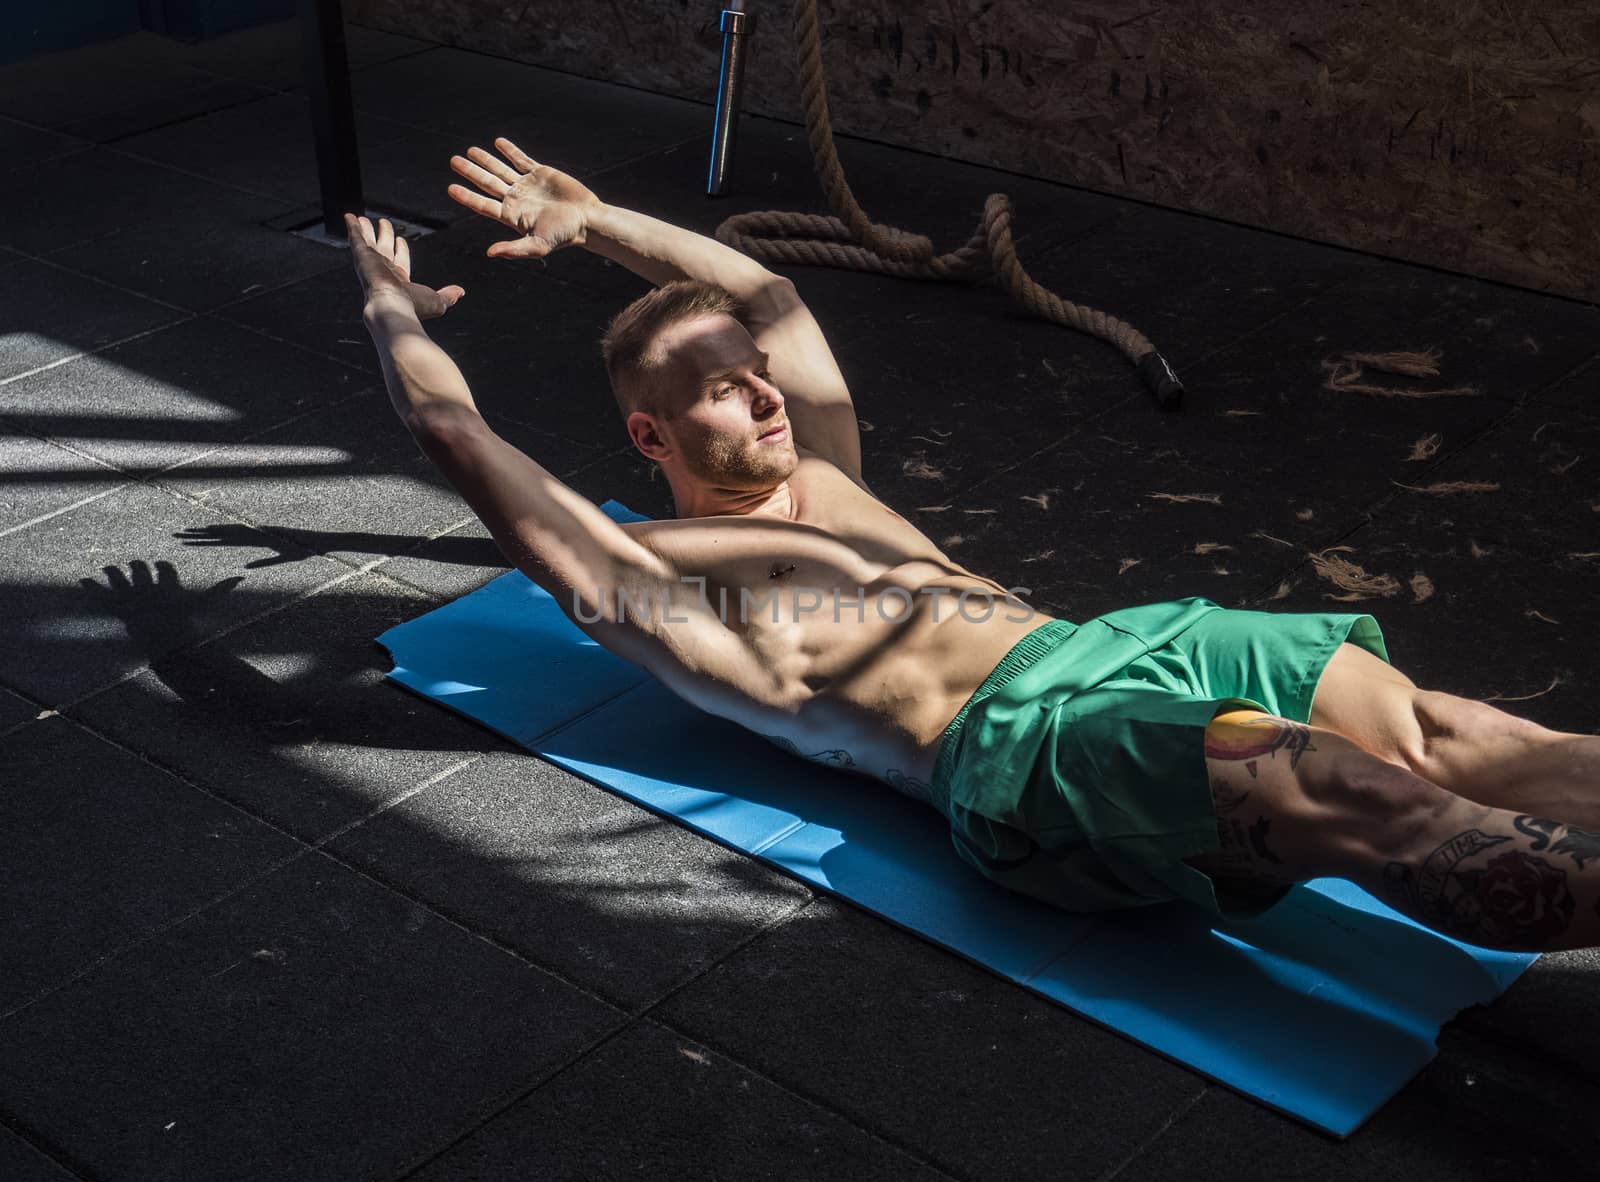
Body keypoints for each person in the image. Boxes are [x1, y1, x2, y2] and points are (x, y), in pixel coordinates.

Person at [346, 137, 1600, 953]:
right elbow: (462, 436)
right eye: (725, 390)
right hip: (1019, 749)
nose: (765, 391)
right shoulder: (663, 596)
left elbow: (772, 295)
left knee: (1460, 737)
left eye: (751, 376)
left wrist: (597, 214)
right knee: (1365, 795)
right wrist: (390, 309)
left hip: (1113, 645)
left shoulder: (827, 471)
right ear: (650, 431)